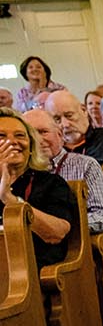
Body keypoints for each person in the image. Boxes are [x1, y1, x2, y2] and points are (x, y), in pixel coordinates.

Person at [0, 108, 77, 268]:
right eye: (1, 136)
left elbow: (56, 233)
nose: (12, 141)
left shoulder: (50, 183)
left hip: (30, 274)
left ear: (31, 147)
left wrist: (10, 199)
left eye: (20, 135)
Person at [23, 107, 103, 234]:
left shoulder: (85, 165)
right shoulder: (21, 171)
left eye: (43, 132)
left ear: (60, 134)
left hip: (74, 243)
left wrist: (63, 224)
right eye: (30, 135)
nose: (38, 140)